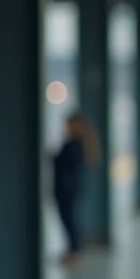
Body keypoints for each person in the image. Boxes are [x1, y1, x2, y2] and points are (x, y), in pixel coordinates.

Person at [53, 112, 99, 267]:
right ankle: (73, 250)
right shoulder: (81, 143)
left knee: (69, 219)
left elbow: (62, 163)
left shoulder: (73, 143)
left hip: (66, 189)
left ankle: (75, 251)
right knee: (71, 219)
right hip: (72, 188)